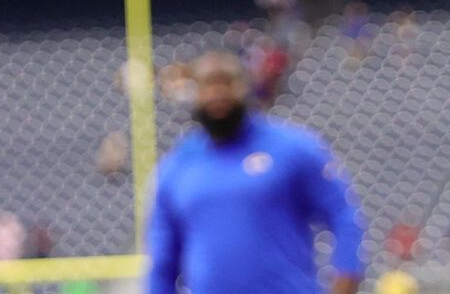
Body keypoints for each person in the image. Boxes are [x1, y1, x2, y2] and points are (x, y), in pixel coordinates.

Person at [145, 52, 365, 294]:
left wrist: (345, 281)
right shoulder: (176, 168)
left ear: (245, 85)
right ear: (194, 93)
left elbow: (343, 215)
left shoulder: (292, 148)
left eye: (227, 81)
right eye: (208, 83)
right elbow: (162, 264)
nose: (218, 93)